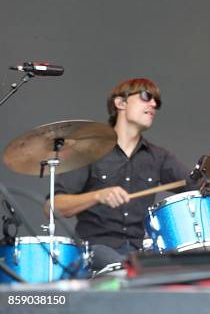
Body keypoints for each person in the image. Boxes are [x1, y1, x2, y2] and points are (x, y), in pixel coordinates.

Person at [45, 78, 195, 270]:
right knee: (122, 267)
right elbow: (52, 206)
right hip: (95, 249)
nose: (153, 104)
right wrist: (98, 195)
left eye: (156, 101)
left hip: (139, 251)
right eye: (145, 96)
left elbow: (197, 184)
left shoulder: (158, 157)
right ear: (120, 103)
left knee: (175, 272)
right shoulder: (90, 151)